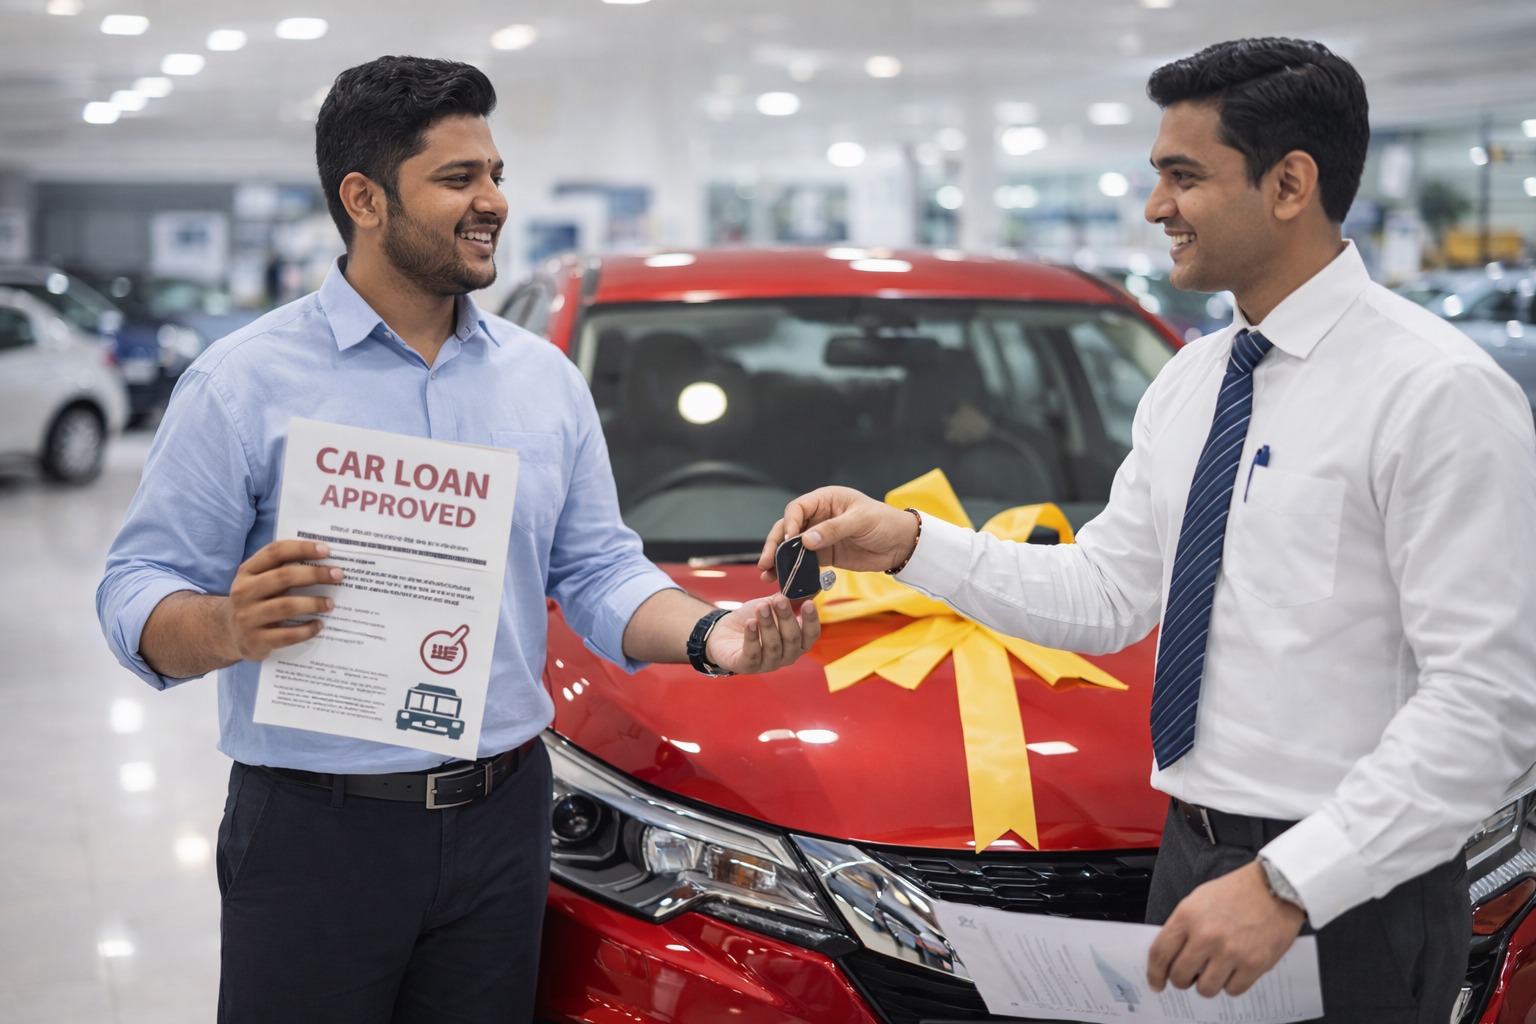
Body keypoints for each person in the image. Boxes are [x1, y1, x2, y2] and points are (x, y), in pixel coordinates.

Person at [760, 37, 1536, 1021]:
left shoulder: (1436, 392)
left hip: (1353, 890)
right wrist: (911, 541)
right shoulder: (1193, 381)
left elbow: (1490, 703)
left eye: (1184, 176)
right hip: (1193, 858)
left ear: (1290, 183)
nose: (1154, 207)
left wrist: (1290, 881)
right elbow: (1107, 594)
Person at [97, 55, 818, 1024]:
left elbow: (597, 567)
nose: (492, 202)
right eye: (458, 179)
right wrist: (230, 624)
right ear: (364, 197)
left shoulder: (542, 380)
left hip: (503, 820)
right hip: (317, 830)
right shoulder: (245, 380)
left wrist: (711, 635)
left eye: (496, 175)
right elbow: (135, 586)